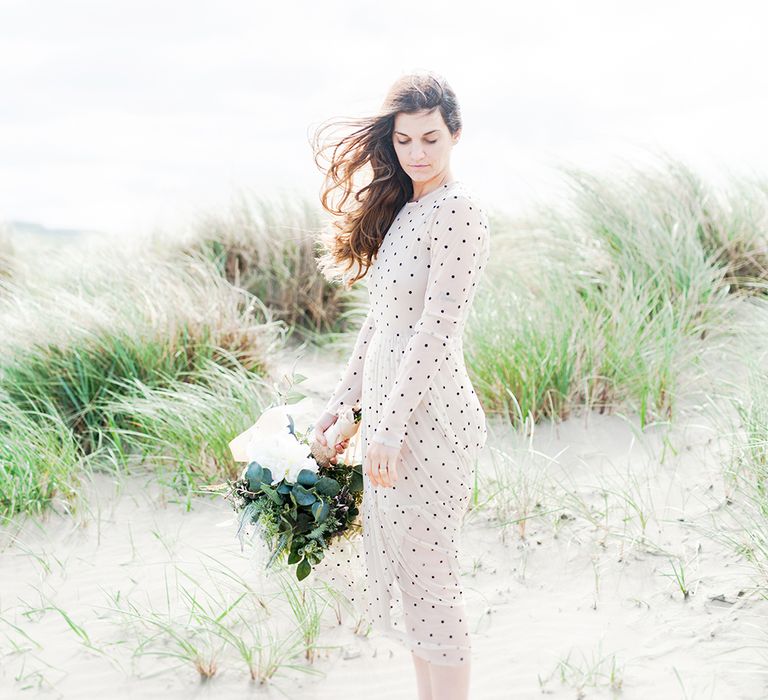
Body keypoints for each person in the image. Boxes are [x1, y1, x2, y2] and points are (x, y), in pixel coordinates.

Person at [311, 71, 490, 700]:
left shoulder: (460, 212)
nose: (417, 153)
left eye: (431, 139)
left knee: (432, 580)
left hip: (432, 422)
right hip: (389, 419)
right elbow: (382, 327)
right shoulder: (405, 213)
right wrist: (343, 408)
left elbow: (436, 329)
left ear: (456, 136)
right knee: (411, 585)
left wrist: (385, 425)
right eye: (405, 140)